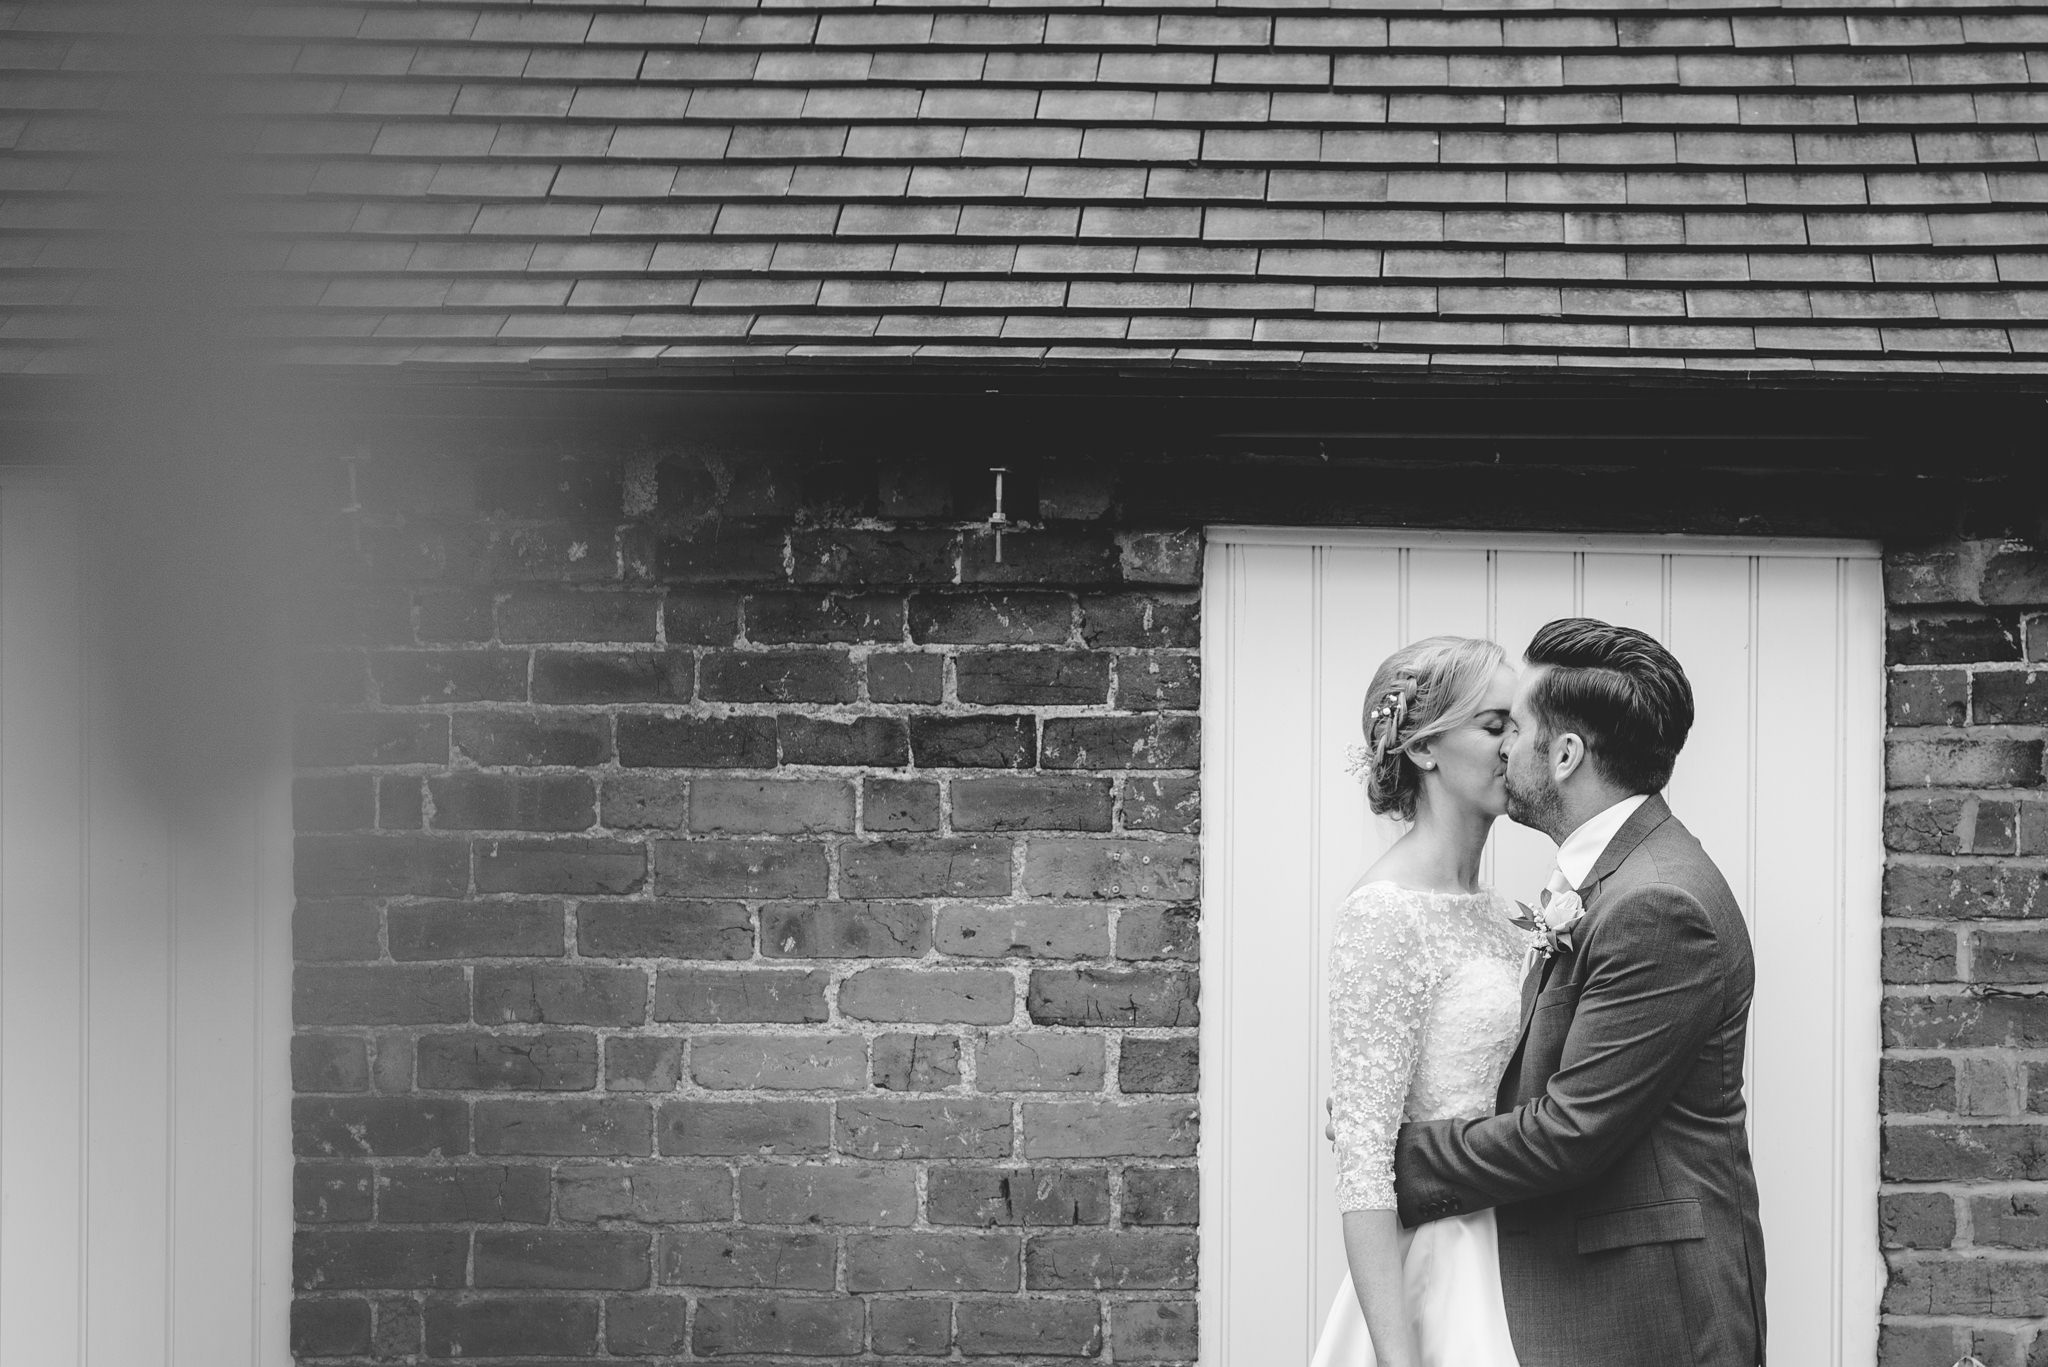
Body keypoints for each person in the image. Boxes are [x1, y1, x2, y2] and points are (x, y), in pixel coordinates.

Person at [1392, 618, 1766, 1367]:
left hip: (1648, 1314)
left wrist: (1397, 1155)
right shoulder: (1617, 877)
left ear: (1564, 755)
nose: (1501, 746)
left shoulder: (1657, 904)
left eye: (1515, 726)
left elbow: (1571, 1131)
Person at [1313, 634, 1528, 1367]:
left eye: (1519, 726)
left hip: (1522, 1267)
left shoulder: (1505, 915)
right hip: (1436, 1269)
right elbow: (1364, 1162)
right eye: (1495, 725)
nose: (1515, 746)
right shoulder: (1384, 914)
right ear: (1427, 749)